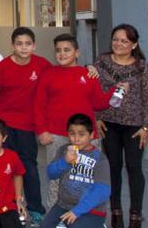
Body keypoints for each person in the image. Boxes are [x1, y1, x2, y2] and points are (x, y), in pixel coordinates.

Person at [35, 33, 119, 209]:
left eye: (67, 50)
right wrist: (42, 131)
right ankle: (53, 219)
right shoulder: (48, 75)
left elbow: (100, 103)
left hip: (87, 137)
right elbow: (39, 105)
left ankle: (91, 220)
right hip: (56, 136)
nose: (62, 54)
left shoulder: (89, 75)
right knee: (56, 179)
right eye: (58, 50)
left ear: (77, 52)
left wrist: (116, 90)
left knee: (88, 179)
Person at [89, 24, 148, 228]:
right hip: (109, 123)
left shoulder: (142, 67)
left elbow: (147, 99)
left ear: (134, 44)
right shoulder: (102, 62)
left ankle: (136, 214)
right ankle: (115, 211)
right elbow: (93, 91)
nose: (118, 44)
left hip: (134, 126)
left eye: (124, 41)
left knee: (134, 168)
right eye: (115, 39)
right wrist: (97, 118)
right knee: (113, 167)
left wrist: (146, 127)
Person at [0, 27, 51, 224]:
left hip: (28, 127)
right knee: (3, 167)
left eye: (28, 44)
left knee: (28, 167)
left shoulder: (42, 65)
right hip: (4, 126)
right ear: (12, 46)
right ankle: (2, 207)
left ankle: (36, 209)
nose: (24, 47)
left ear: (34, 45)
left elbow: (61, 75)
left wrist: (89, 68)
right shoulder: (4, 66)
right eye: (19, 44)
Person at [37, 114, 111, 228]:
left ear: (91, 135)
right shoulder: (64, 150)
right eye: (72, 134)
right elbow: (51, 173)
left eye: (81, 134)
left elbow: (103, 191)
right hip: (64, 205)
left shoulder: (99, 158)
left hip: (90, 210)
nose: (76, 139)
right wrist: (64, 162)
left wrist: (77, 211)